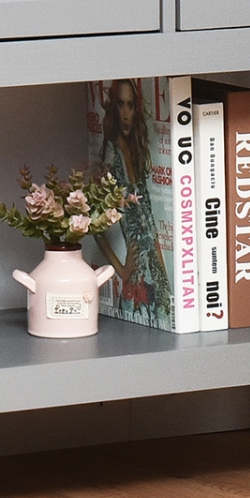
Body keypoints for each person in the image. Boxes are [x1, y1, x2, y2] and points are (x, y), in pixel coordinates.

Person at [93, 79, 171, 327]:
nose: (126, 114)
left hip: (155, 271)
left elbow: (148, 219)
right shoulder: (111, 154)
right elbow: (94, 224)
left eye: (130, 105)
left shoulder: (136, 149)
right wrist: (122, 270)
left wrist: (162, 268)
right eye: (120, 105)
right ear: (113, 109)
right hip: (136, 274)